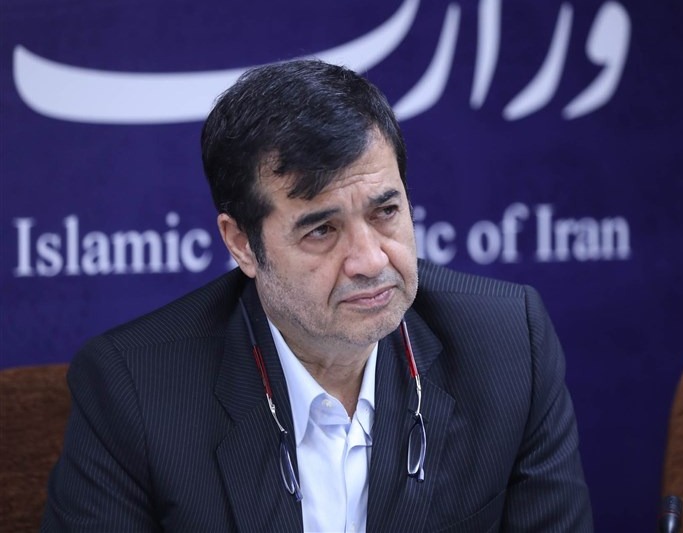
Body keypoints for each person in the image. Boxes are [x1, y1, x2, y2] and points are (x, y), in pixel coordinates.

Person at [41, 58, 593, 532]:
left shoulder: (508, 346)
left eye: (386, 212)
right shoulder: (136, 391)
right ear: (242, 244)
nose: (370, 260)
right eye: (322, 230)